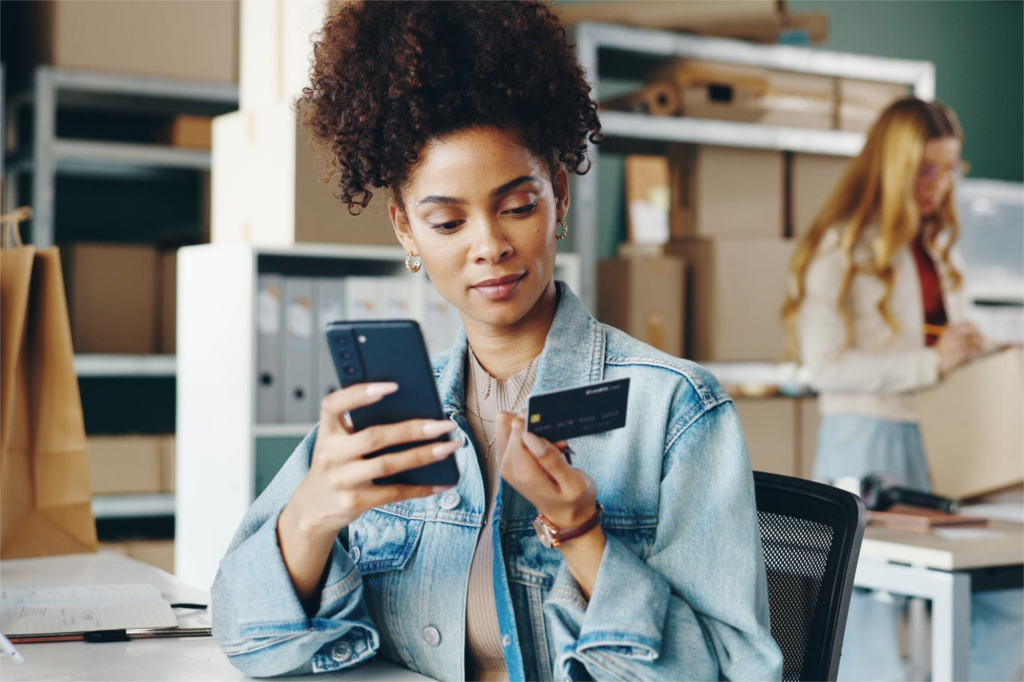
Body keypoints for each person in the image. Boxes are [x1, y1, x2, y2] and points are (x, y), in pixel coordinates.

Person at [211, 1, 782, 680]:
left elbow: (732, 671)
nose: (490, 247)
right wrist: (311, 514)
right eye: (448, 223)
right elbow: (246, 637)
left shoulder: (674, 411)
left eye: (517, 207)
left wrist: (580, 531)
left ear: (560, 197)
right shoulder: (390, 408)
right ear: (405, 231)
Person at [783, 97, 1024, 682]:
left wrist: (970, 349)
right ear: (891, 167)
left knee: (1001, 595)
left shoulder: (937, 248)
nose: (940, 186)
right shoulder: (840, 247)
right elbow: (825, 368)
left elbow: (936, 352)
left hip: (943, 440)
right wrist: (929, 361)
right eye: (926, 170)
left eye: (949, 169)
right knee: (860, 613)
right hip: (866, 442)